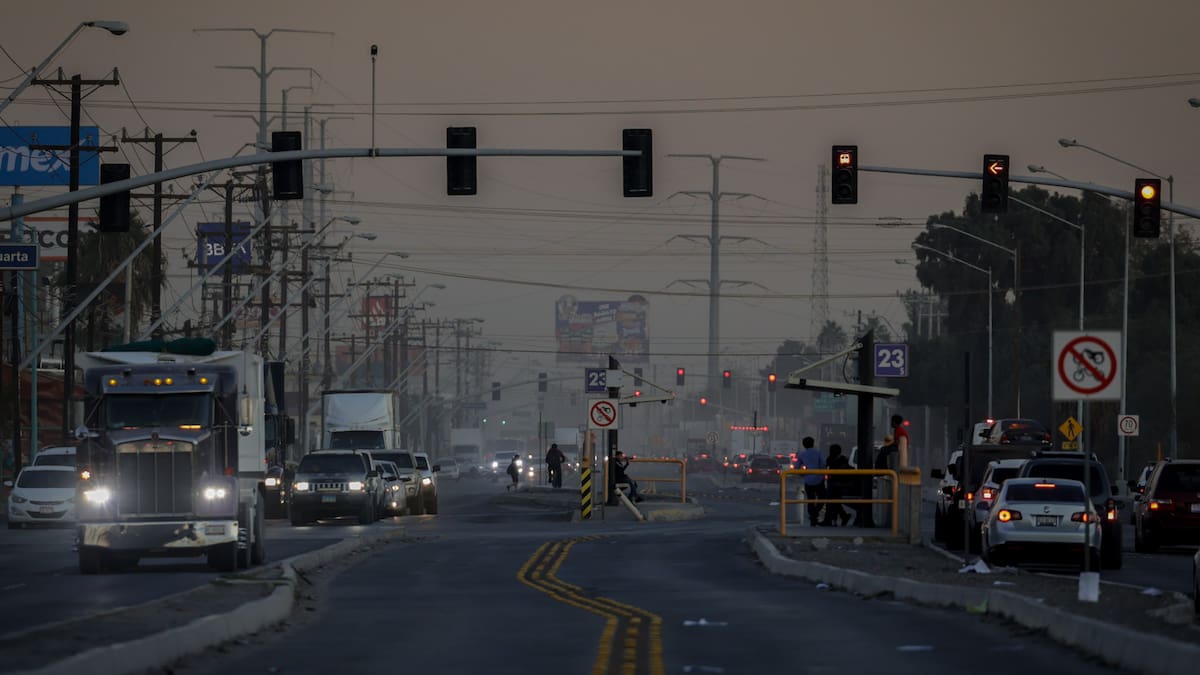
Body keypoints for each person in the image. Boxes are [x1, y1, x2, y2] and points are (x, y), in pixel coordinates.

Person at [796, 436, 826, 526]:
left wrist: (802, 474)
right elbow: (823, 464)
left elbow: (797, 466)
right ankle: (815, 513)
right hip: (819, 479)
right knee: (822, 498)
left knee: (810, 499)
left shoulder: (802, 454)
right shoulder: (818, 452)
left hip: (808, 479)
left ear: (804, 445)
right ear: (813, 443)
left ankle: (813, 517)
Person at [822, 444, 853, 526]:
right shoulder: (841, 459)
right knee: (834, 501)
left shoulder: (838, 460)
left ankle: (829, 520)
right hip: (836, 485)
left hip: (839, 485)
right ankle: (842, 516)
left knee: (831, 500)